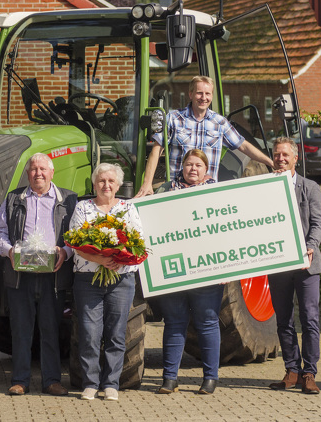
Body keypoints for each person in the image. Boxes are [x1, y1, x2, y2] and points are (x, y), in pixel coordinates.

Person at [0, 153, 76, 396]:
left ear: (52, 173)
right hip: (21, 275)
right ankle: (20, 380)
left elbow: (77, 235)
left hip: (53, 276)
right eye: (33, 169)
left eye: (43, 169)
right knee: (21, 329)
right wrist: (10, 252)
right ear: (27, 173)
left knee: (51, 328)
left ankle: (51, 380)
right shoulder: (13, 199)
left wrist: (66, 252)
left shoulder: (68, 200)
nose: (38, 173)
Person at [66, 163, 142, 402]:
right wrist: (99, 257)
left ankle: (111, 384)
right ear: (94, 184)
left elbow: (138, 240)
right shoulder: (83, 208)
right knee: (89, 334)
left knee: (116, 334)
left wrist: (119, 260)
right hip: (88, 280)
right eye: (101, 181)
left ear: (118, 185)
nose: (106, 185)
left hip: (121, 279)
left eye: (111, 181)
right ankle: (90, 383)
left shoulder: (127, 209)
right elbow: (75, 245)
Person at [135, 75, 273, 197]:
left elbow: (243, 146)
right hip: (176, 191)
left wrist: (271, 163)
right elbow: (156, 151)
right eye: (199, 93)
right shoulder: (174, 118)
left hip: (207, 192)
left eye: (208, 94)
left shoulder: (220, 122)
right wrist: (147, 184)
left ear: (212, 96)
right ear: (190, 94)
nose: (204, 98)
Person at [155, 149, 222, 395]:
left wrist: (229, 266)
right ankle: (170, 378)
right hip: (174, 269)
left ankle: (210, 378)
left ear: (207, 169)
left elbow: (229, 231)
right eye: (188, 165)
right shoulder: (166, 191)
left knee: (207, 323)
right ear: (181, 167)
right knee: (174, 323)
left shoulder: (220, 193)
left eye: (198, 165)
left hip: (208, 269)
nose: (193, 169)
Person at [267, 137, 321, 394]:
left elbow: (319, 222)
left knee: (309, 318)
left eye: (285, 155)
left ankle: (309, 372)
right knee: (283, 319)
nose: (280, 158)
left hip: (306, 265)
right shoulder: (263, 187)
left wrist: (311, 245)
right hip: (279, 264)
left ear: (295, 158)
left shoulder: (309, 186)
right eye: (277, 154)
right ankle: (292, 370)